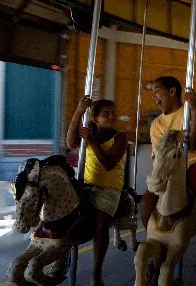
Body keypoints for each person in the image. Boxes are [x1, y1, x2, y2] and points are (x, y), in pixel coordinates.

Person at [140, 76, 196, 286]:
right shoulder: (157, 124)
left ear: (172, 91)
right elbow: (159, 155)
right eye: (153, 93)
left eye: (157, 91)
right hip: (170, 167)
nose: (155, 97)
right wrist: (174, 136)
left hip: (195, 162)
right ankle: (158, 257)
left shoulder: (189, 111)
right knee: (145, 204)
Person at [67, 96, 128, 286]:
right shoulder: (89, 132)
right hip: (86, 184)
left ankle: (96, 271)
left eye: (114, 113)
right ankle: (60, 261)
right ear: (95, 118)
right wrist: (78, 111)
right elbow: (71, 143)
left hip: (109, 188)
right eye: (106, 114)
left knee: (101, 223)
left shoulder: (120, 136)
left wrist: (92, 141)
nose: (112, 117)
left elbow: (109, 164)